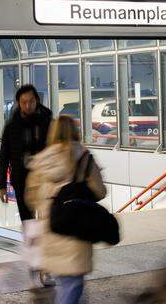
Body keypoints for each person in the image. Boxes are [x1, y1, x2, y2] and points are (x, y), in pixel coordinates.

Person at [24, 115, 106, 304]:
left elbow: (31, 197)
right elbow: (99, 191)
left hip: (52, 229)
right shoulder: (84, 157)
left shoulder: (41, 161)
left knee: (69, 284)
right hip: (76, 231)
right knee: (72, 285)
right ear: (74, 131)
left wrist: (48, 206)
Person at [0, 85, 52, 221]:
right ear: (18, 103)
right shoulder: (12, 126)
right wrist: (2, 186)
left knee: (48, 217)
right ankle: (32, 240)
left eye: (31, 101)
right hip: (21, 178)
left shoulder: (47, 121)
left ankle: (43, 241)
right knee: (27, 218)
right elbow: (4, 155)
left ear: (37, 100)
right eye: (24, 102)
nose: (28, 105)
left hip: (45, 176)